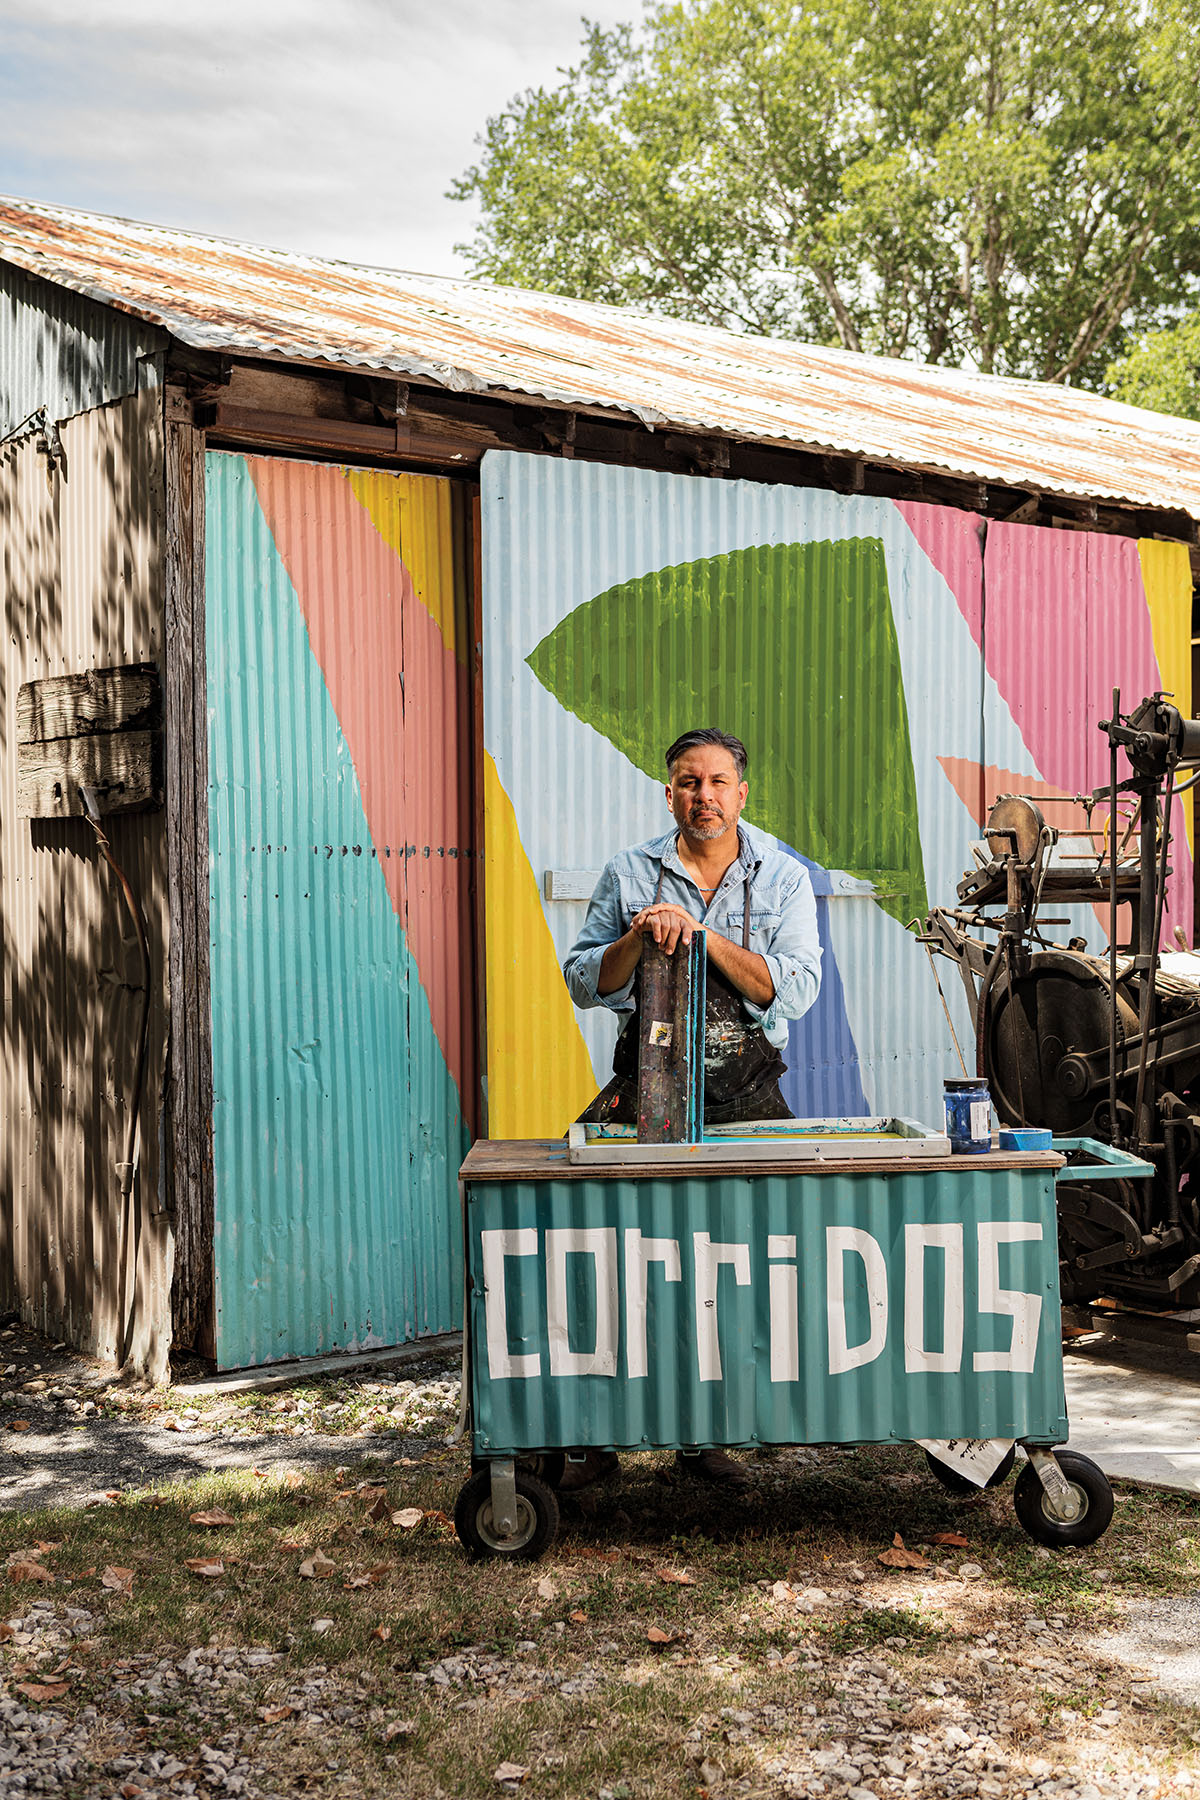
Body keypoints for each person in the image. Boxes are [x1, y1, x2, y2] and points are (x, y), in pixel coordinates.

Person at [559, 727, 823, 1490]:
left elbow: (792, 990)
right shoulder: (629, 872)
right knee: (619, 1252)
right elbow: (584, 981)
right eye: (686, 781)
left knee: (740, 1260)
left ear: (742, 793)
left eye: (715, 782)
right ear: (668, 792)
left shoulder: (783, 877)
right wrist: (641, 942)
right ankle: (596, 1436)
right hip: (646, 1090)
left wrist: (700, 938)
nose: (701, 795)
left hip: (747, 1095)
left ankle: (707, 1434)